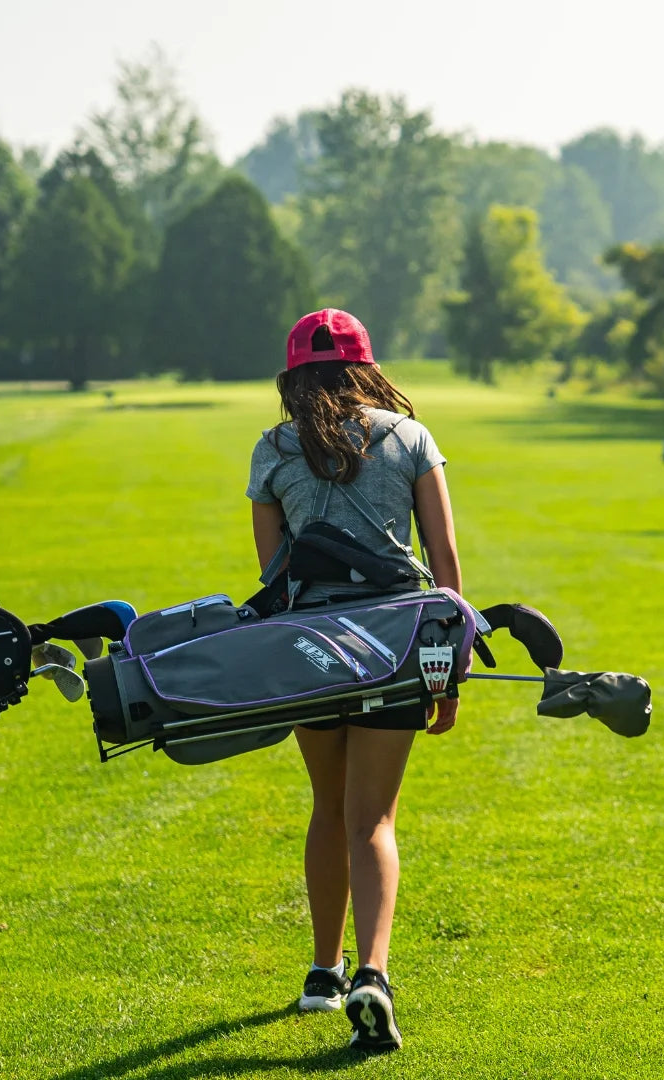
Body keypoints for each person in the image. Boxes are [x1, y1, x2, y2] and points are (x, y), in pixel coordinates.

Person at [246, 309, 462, 1053]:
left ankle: (321, 973)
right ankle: (373, 972)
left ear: (294, 373)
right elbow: (445, 566)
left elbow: (273, 578)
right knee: (374, 818)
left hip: (309, 651)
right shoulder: (410, 438)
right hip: (396, 647)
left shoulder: (274, 447)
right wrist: (449, 673)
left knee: (328, 808)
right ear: (366, 366)